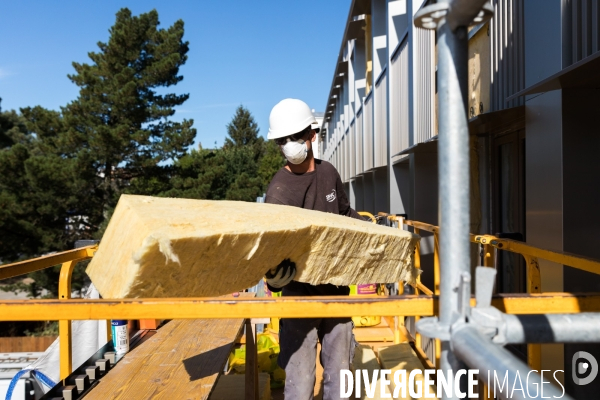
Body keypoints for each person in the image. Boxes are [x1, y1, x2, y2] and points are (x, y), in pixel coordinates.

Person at [264, 98, 364, 400]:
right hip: (298, 294)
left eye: (296, 136)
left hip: (337, 289)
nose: (290, 144)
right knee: (299, 379)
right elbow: (271, 251)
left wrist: (376, 237)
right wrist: (273, 275)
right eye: (284, 140)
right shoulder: (278, 191)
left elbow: (346, 215)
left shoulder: (328, 173)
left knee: (340, 374)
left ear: (312, 135)